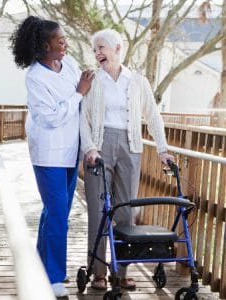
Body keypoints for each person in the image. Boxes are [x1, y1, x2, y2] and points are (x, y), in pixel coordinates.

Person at [80, 28, 174, 290]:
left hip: (131, 146)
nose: (97, 53)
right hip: (98, 147)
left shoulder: (137, 81)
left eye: (101, 47)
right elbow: (83, 120)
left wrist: (163, 149)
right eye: (95, 48)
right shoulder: (92, 80)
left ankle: (122, 271)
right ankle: (98, 271)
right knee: (98, 211)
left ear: (117, 48)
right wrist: (89, 147)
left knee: (126, 210)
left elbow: (153, 116)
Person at [10, 15, 94, 297]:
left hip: (71, 151)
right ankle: (54, 277)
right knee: (58, 215)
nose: (65, 43)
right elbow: (50, 117)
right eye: (60, 40)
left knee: (56, 213)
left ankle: (41, 265)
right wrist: (79, 93)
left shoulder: (68, 64)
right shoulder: (35, 77)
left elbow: (79, 102)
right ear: (46, 45)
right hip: (48, 154)